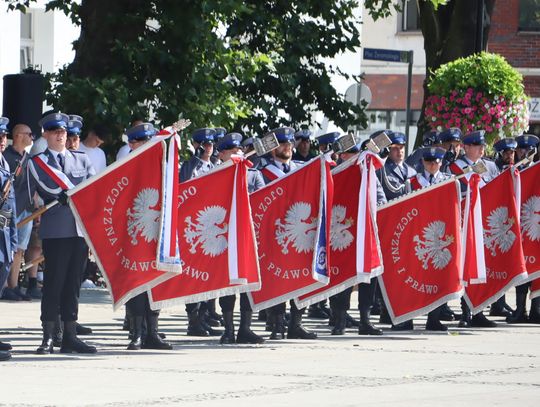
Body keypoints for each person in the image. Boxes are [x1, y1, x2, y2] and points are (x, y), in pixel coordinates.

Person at [28, 112, 96, 354]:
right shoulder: (38, 162)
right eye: (55, 131)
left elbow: (92, 188)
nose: (60, 135)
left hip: (78, 231)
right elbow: (47, 189)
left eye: (63, 131)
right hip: (56, 231)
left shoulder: (82, 159)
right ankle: (48, 336)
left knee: (72, 285)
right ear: (46, 134)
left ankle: (70, 335)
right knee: (54, 283)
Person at [259, 127, 317, 340]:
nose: (288, 147)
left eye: (290, 143)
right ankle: (277, 324)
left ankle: (296, 323)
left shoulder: (302, 169)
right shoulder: (263, 173)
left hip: (300, 235)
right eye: (283, 144)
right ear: (273, 148)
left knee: (299, 277)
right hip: (277, 235)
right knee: (277, 278)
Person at [123, 123, 173, 351]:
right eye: (145, 141)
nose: (151, 145)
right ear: (133, 144)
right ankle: (136, 333)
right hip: (135, 233)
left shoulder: (163, 165)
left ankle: (152, 331)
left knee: (155, 282)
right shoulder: (125, 166)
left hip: (158, 232)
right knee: (136, 284)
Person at [329, 142, 386, 336]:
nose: (353, 157)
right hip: (341, 235)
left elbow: (380, 198)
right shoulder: (333, 174)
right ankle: (340, 320)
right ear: (342, 156)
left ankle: (365, 319)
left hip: (363, 232)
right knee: (341, 278)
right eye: (349, 153)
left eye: (355, 153)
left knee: (368, 278)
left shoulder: (367, 173)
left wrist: (372, 209)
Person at [215, 133, 265, 345]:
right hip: (224, 237)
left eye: (239, 150)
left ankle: (246, 328)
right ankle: (228, 330)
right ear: (222, 154)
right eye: (232, 151)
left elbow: (261, 200)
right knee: (227, 284)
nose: (237, 153)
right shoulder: (214, 175)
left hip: (247, 236)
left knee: (248, 284)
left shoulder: (253, 174)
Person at [449, 130, 500, 328]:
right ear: (467, 148)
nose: (481, 149)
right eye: (477, 146)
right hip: (463, 223)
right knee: (466, 266)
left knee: (480, 266)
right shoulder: (455, 167)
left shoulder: (489, 166)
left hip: (482, 223)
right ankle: (466, 311)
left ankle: (478, 310)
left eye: (482, 146)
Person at [3, 123, 37, 300]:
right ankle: (5, 285)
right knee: (6, 248)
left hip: (27, 209)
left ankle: (15, 285)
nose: (32, 137)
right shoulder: (6, 157)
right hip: (10, 210)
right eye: (29, 134)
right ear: (17, 136)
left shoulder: (29, 158)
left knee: (19, 250)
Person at [0, 117, 19, 305]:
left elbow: (10, 210)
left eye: (4, 136)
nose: (2, 140)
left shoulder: (5, 165)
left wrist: (13, 242)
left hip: (3, 239)